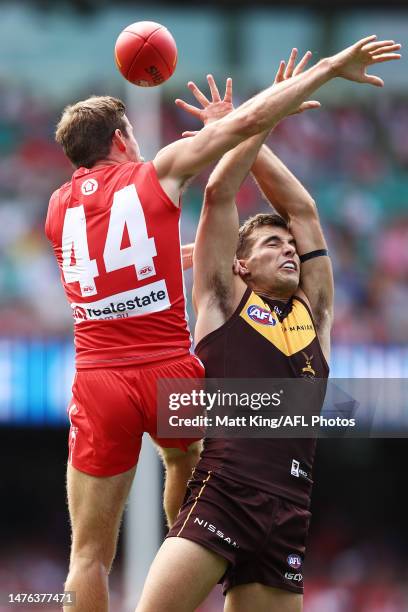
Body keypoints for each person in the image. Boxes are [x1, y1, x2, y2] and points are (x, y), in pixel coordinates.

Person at [45, 34, 380, 611]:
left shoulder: (57, 209)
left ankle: (192, 547)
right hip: (169, 375)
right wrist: (313, 76)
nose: (289, 251)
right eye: (271, 245)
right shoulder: (156, 181)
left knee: (88, 554)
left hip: (101, 375)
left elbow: (123, 255)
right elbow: (224, 177)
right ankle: (190, 539)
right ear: (123, 138)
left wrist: (194, 253)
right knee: (184, 461)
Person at [136, 38, 401, 612]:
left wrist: (271, 109)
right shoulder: (221, 300)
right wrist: (260, 116)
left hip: (291, 510)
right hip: (226, 492)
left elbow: (303, 211)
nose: (288, 249)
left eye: (290, 246)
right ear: (240, 262)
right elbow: (219, 191)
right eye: (271, 244)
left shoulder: (316, 313)